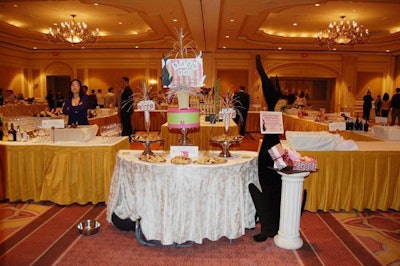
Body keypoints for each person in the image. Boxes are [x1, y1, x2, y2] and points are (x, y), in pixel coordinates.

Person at [248, 55, 283, 242]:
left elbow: (265, 79)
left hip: (272, 139)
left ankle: (269, 225)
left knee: (269, 179)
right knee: (273, 179)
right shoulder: (275, 107)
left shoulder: (272, 104)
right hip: (273, 137)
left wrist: (260, 68)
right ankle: (272, 224)